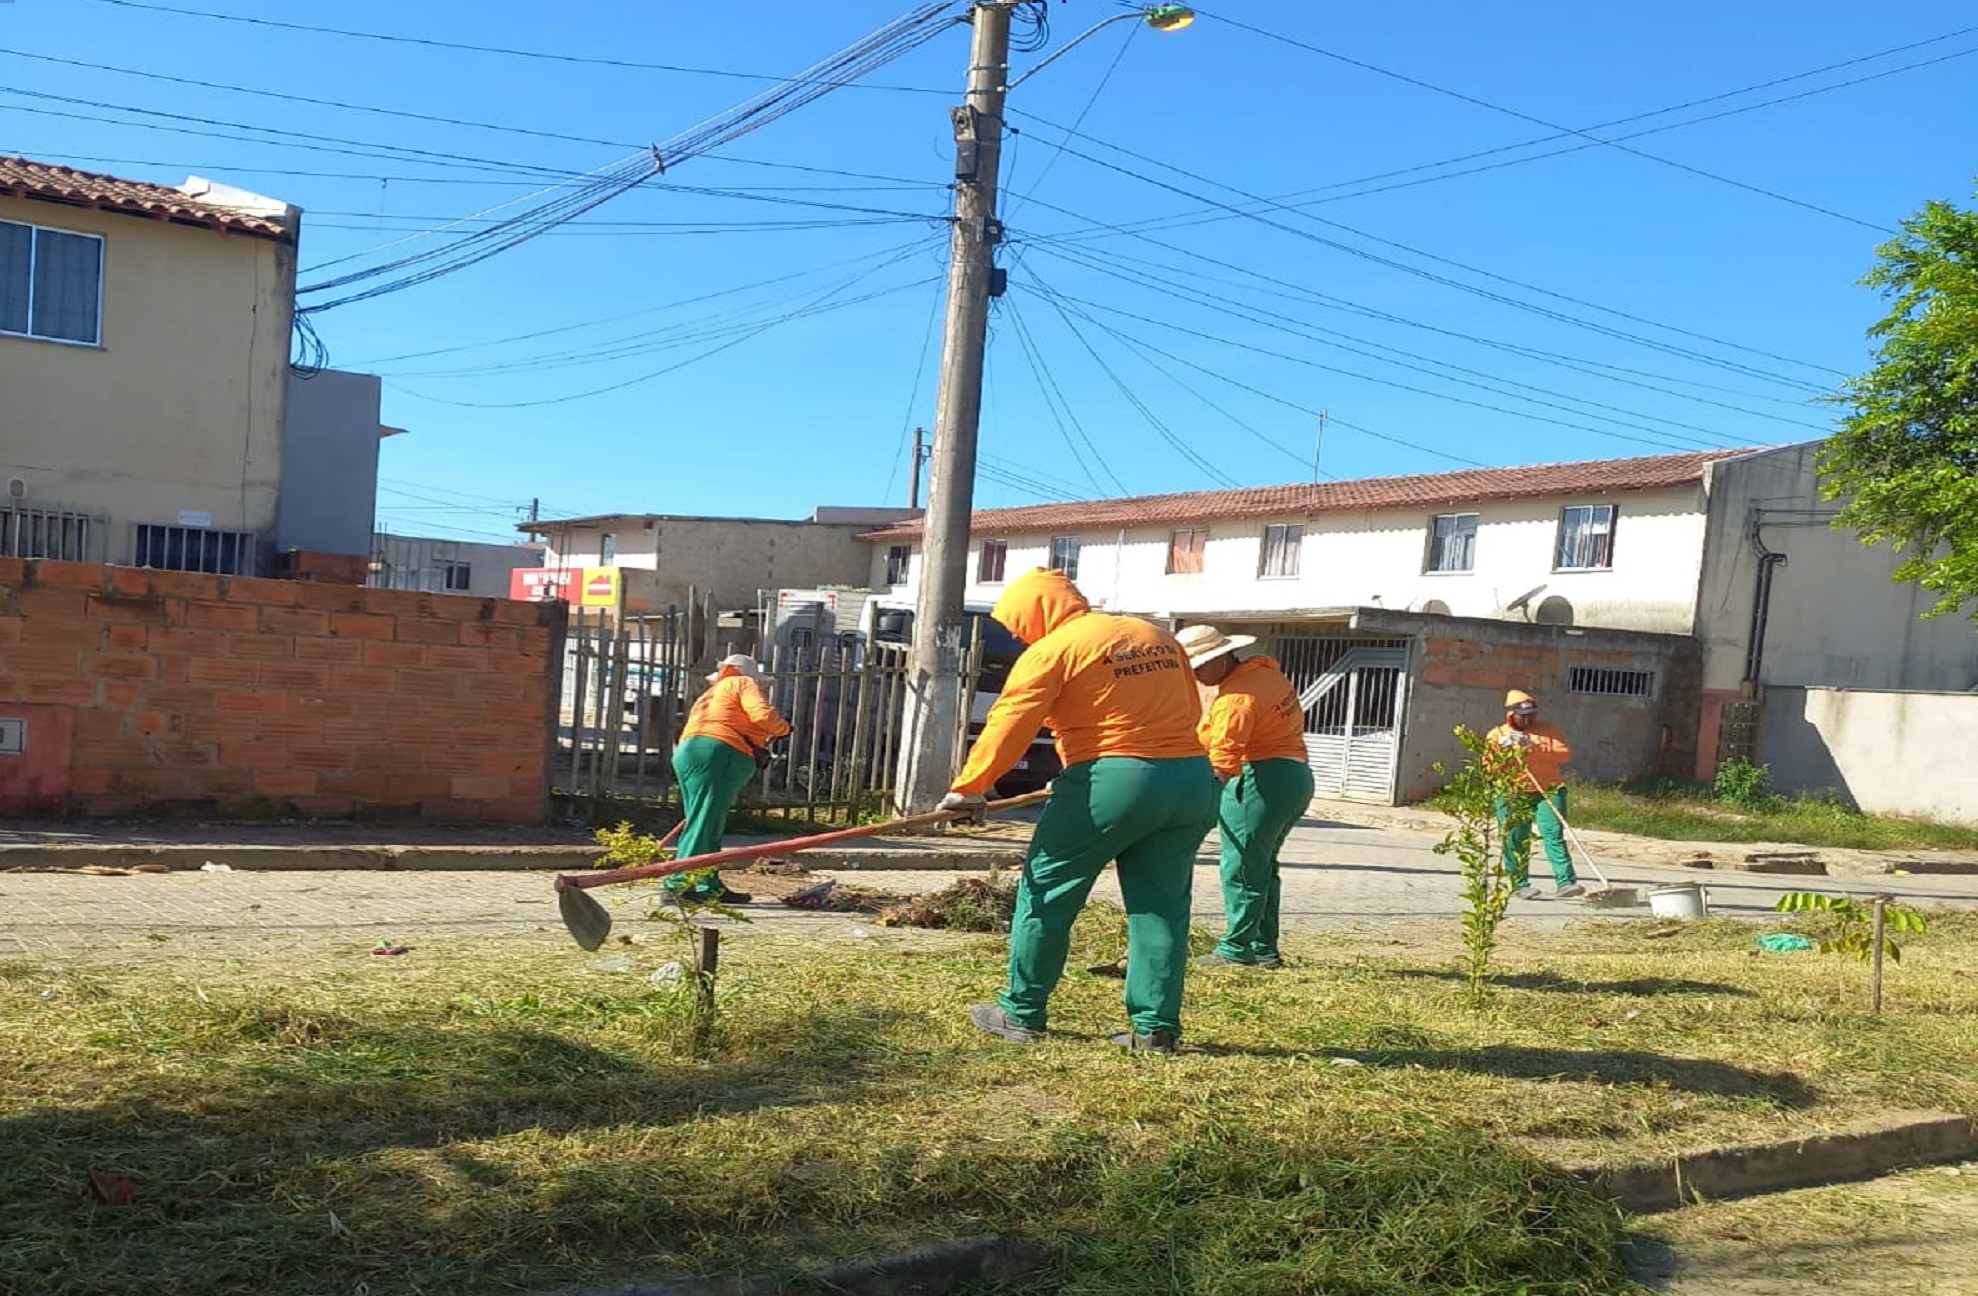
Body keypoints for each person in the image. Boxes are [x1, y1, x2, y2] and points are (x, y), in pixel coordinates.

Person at [939, 568, 1218, 1055]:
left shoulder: (1054, 649)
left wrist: (970, 790)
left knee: (1048, 891)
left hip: (1115, 780)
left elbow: (1011, 721)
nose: (1019, 634)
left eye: (1018, 623)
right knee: (1161, 906)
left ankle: (1020, 1012)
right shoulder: (1155, 635)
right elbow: (1186, 710)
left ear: (1036, 611)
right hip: (1191, 779)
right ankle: (1155, 1029)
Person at [1178, 624, 1315, 970]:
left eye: (1199, 666)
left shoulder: (1236, 700)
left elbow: (1223, 760)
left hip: (1261, 778)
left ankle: (1236, 950)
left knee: (1240, 865)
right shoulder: (1266, 675)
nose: (1195, 675)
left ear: (1223, 657)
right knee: (1262, 865)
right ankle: (1263, 947)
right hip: (1294, 777)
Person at [668, 653, 790, 904]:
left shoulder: (710, 694)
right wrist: (784, 728)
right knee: (705, 822)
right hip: (719, 752)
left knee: (705, 821)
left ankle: (707, 883)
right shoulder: (742, 683)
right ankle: (679, 884)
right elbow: (762, 716)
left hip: (690, 752)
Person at [1485, 689, 1585, 900]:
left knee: (1554, 834)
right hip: (1511, 792)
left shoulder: (1548, 730)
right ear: (1511, 714)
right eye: (1524, 715)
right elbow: (1489, 768)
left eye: (1533, 714)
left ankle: (1566, 882)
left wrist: (1533, 746)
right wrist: (1502, 752)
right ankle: (1519, 884)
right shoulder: (1497, 735)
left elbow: (1564, 754)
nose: (1529, 719)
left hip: (1548, 790)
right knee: (1515, 838)